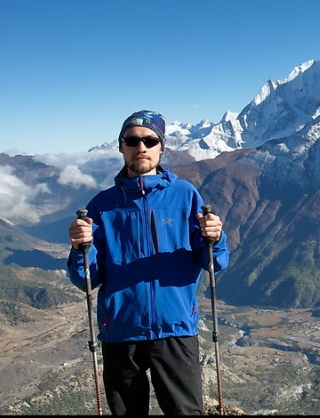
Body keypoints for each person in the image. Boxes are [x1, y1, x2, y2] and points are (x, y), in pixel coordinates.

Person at [67, 110, 229, 415]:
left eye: (150, 140)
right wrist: (80, 249)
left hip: (175, 327)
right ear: (121, 146)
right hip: (120, 331)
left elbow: (213, 263)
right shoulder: (101, 205)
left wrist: (215, 239)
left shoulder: (185, 195)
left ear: (161, 146)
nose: (141, 147)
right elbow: (87, 278)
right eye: (132, 140)